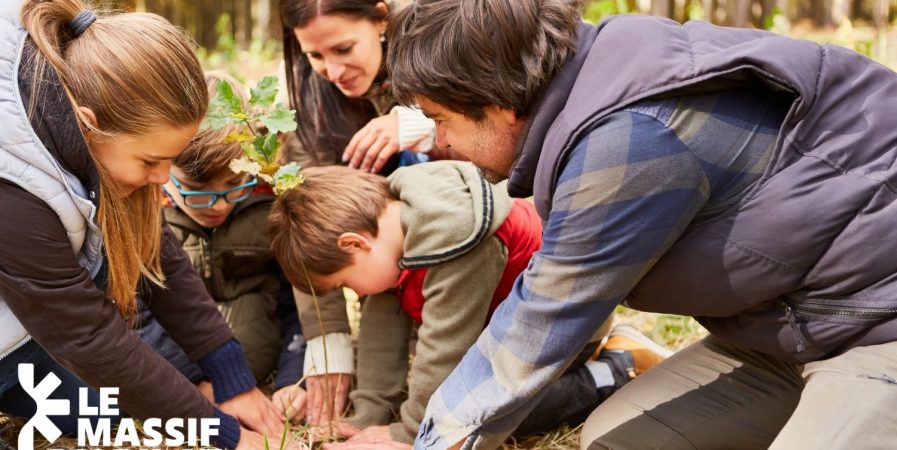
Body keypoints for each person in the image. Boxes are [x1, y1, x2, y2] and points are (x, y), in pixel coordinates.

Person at [386, 1, 897, 450]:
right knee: (621, 438)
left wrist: (429, 442)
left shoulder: (634, 136)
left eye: (442, 119)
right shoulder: (597, 78)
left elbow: (541, 320)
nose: (440, 141)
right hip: (780, 334)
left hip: (877, 325)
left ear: (499, 105)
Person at [0, 1, 289, 449]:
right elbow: (87, 334)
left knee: (107, 413)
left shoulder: (83, 100)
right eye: (152, 161)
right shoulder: (12, 187)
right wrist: (222, 435)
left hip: (28, 332)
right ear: (88, 125)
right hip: (31, 328)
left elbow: (158, 255)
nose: (162, 179)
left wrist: (232, 377)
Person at [267, 161, 671, 447]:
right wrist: (366, 415)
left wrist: (411, 435)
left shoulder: (454, 237)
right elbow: (381, 330)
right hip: (503, 333)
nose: (355, 295)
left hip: (559, 335)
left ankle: (616, 368)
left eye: (345, 284)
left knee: (486, 420)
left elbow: (447, 348)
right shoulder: (395, 227)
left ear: (355, 244)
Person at [278, 0, 440, 427]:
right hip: (388, 272)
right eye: (315, 56)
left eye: (344, 48)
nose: (331, 71)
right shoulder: (307, 103)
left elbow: (511, 169)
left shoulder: (444, 46)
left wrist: (431, 129)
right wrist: (328, 341)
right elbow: (311, 223)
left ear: (381, 18)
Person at [135, 73, 309, 422]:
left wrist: (294, 379)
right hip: (183, 378)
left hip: (264, 370)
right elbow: (136, 315)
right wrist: (197, 382)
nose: (217, 204)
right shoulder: (145, 218)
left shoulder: (269, 209)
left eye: (233, 184)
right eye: (197, 188)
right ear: (162, 167)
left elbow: (299, 305)